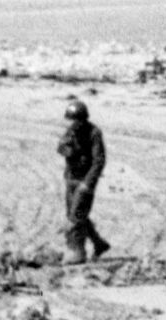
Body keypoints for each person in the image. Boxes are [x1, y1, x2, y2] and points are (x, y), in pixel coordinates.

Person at [57, 98, 111, 263]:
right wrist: (68, 149)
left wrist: (88, 183)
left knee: (75, 218)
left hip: (85, 181)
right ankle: (99, 243)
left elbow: (99, 161)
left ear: (83, 118)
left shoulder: (94, 133)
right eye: (72, 120)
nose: (74, 124)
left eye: (76, 120)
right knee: (76, 214)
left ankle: (77, 252)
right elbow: (60, 147)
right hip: (71, 178)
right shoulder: (71, 131)